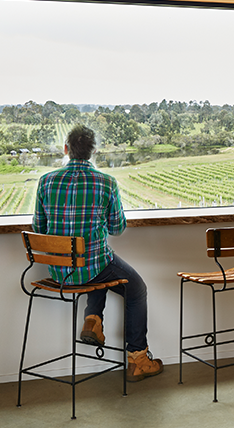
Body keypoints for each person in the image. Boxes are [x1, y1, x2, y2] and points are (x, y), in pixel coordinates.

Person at [32, 124, 163, 382]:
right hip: (93, 266)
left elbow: (39, 228)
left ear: (67, 149)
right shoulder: (106, 182)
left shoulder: (46, 181)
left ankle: (93, 319)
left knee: (99, 265)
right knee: (135, 287)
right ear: (93, 152)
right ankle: (137, 359)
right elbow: (116, 228)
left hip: (59, 272)